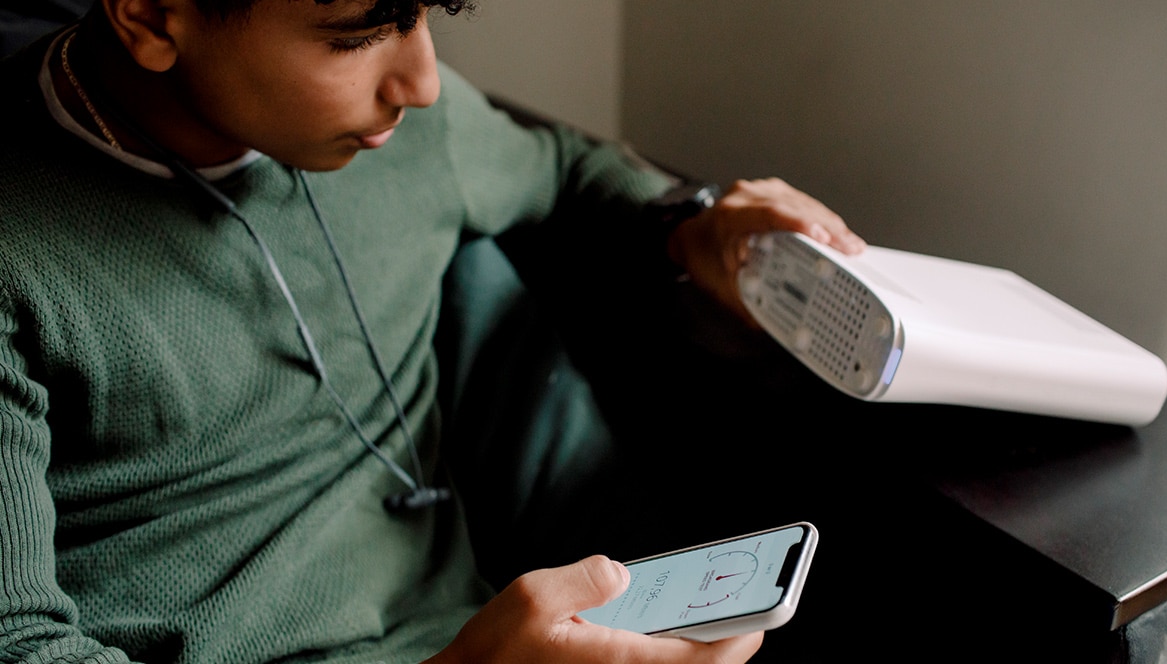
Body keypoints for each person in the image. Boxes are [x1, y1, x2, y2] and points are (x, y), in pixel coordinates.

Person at [0, 0, 865, 662]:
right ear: (151, 14)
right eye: (355, 36)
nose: (422, 82)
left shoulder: (406, 134)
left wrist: (699, 225)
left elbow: (569, 171)